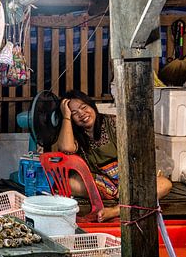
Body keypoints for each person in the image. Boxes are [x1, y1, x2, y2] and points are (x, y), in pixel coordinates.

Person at [57, 89, 172, 221]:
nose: (82, 114)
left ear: (92, 106)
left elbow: (137, 150)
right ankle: (124, 197)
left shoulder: (113, 122)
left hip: (130, 179)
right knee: (68, 183)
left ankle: (116, 210)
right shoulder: (76, 134)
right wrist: (65, 116)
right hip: (103, 184)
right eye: (74, 113)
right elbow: (66, 148)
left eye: (84, 107)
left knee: (165, 184)